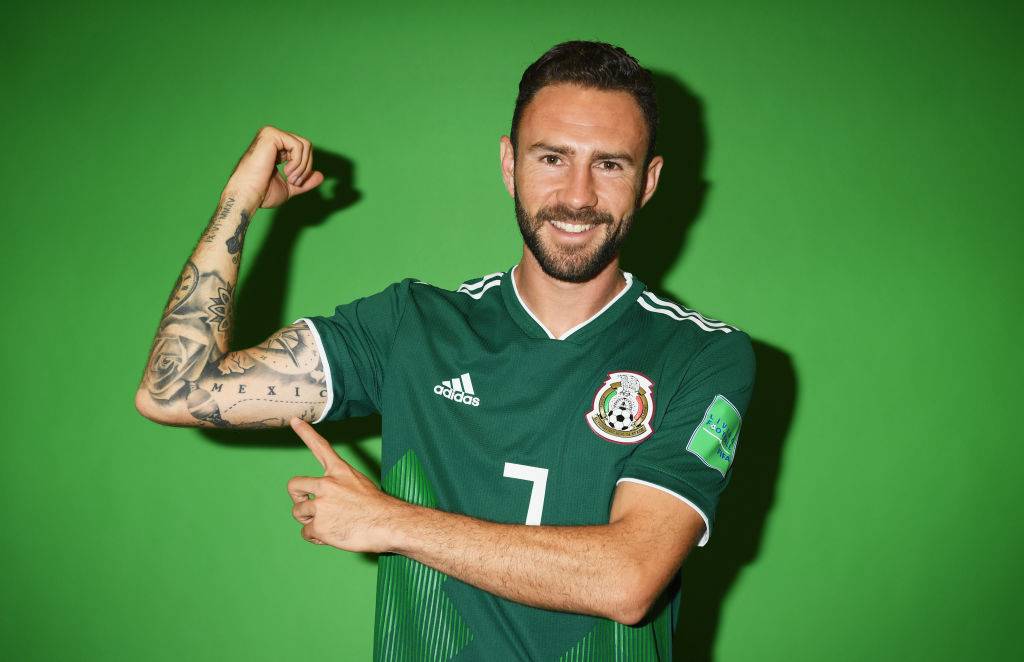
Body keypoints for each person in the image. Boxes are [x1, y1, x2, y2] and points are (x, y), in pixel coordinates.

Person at [136, 40, 755, 660]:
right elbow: (176, 390)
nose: (578, 195)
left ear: (648, 182)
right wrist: (239, 199)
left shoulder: (703, 356)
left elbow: (628, 580)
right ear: (509, 165)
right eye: (552, 158)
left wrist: (389, 521)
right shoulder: (412, 327)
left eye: (610, 165)